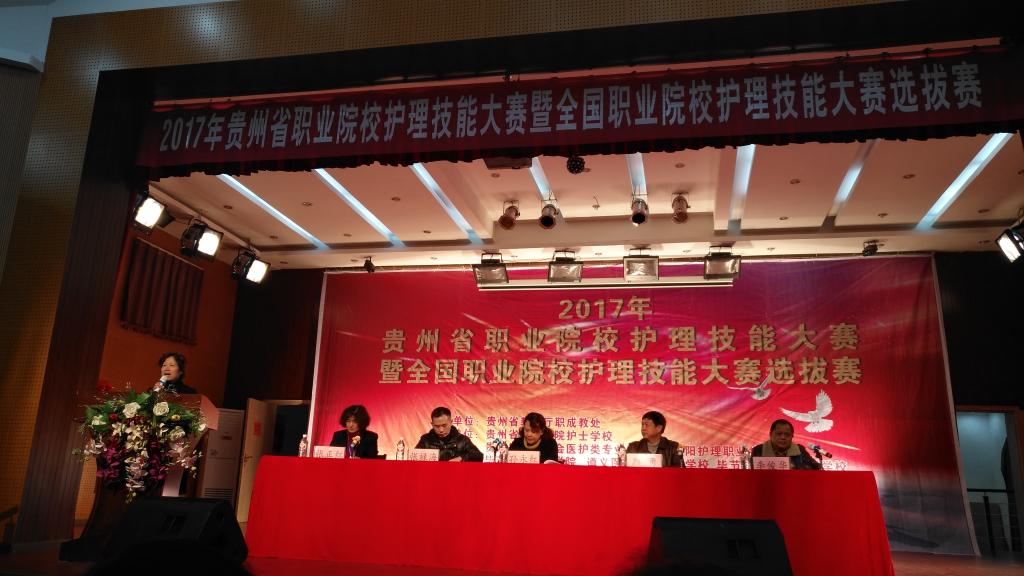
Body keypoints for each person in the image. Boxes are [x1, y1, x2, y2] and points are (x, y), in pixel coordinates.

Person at [415, 406, 483, 462]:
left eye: (444, 425)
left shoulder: (462, 440)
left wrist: (462, 458)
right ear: (432, 424)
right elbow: (414, 459)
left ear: (451, 422)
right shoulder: (426, 440)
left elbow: (479, 456)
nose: (441, 430)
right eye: (437, 426)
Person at [750, 419, 821, 470]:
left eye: (787, 435)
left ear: (792, 436)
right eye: (779, 434)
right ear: (771, 434)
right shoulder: (759, 450)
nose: (783, 437)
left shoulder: (799, 450)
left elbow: (815, 467)